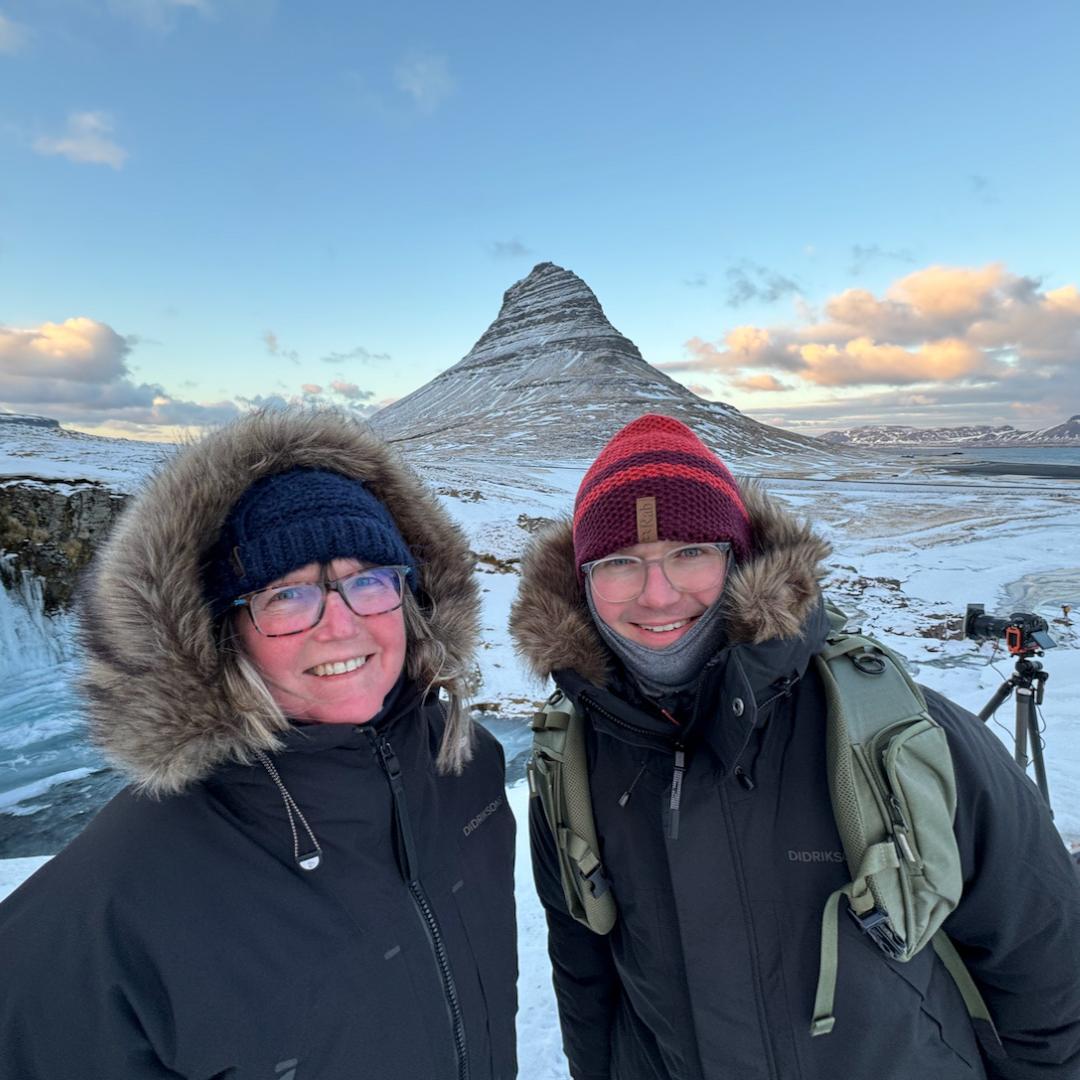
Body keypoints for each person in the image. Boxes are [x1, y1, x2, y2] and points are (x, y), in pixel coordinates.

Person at [509, 413, 1080, 1080]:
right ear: (583, 584)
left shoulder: (895, 733)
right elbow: (586, 978)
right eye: (619, 564)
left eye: (691, 551)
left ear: (740, 557)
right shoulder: (570, 761)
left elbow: (1044, 968)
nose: (657, 592)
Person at [0, 408, 517, 1080]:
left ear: (411, 597)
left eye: (368, 580)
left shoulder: (468, 767)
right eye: (287, 595)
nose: (341, 626)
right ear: (223, 631)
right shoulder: (107, 908)